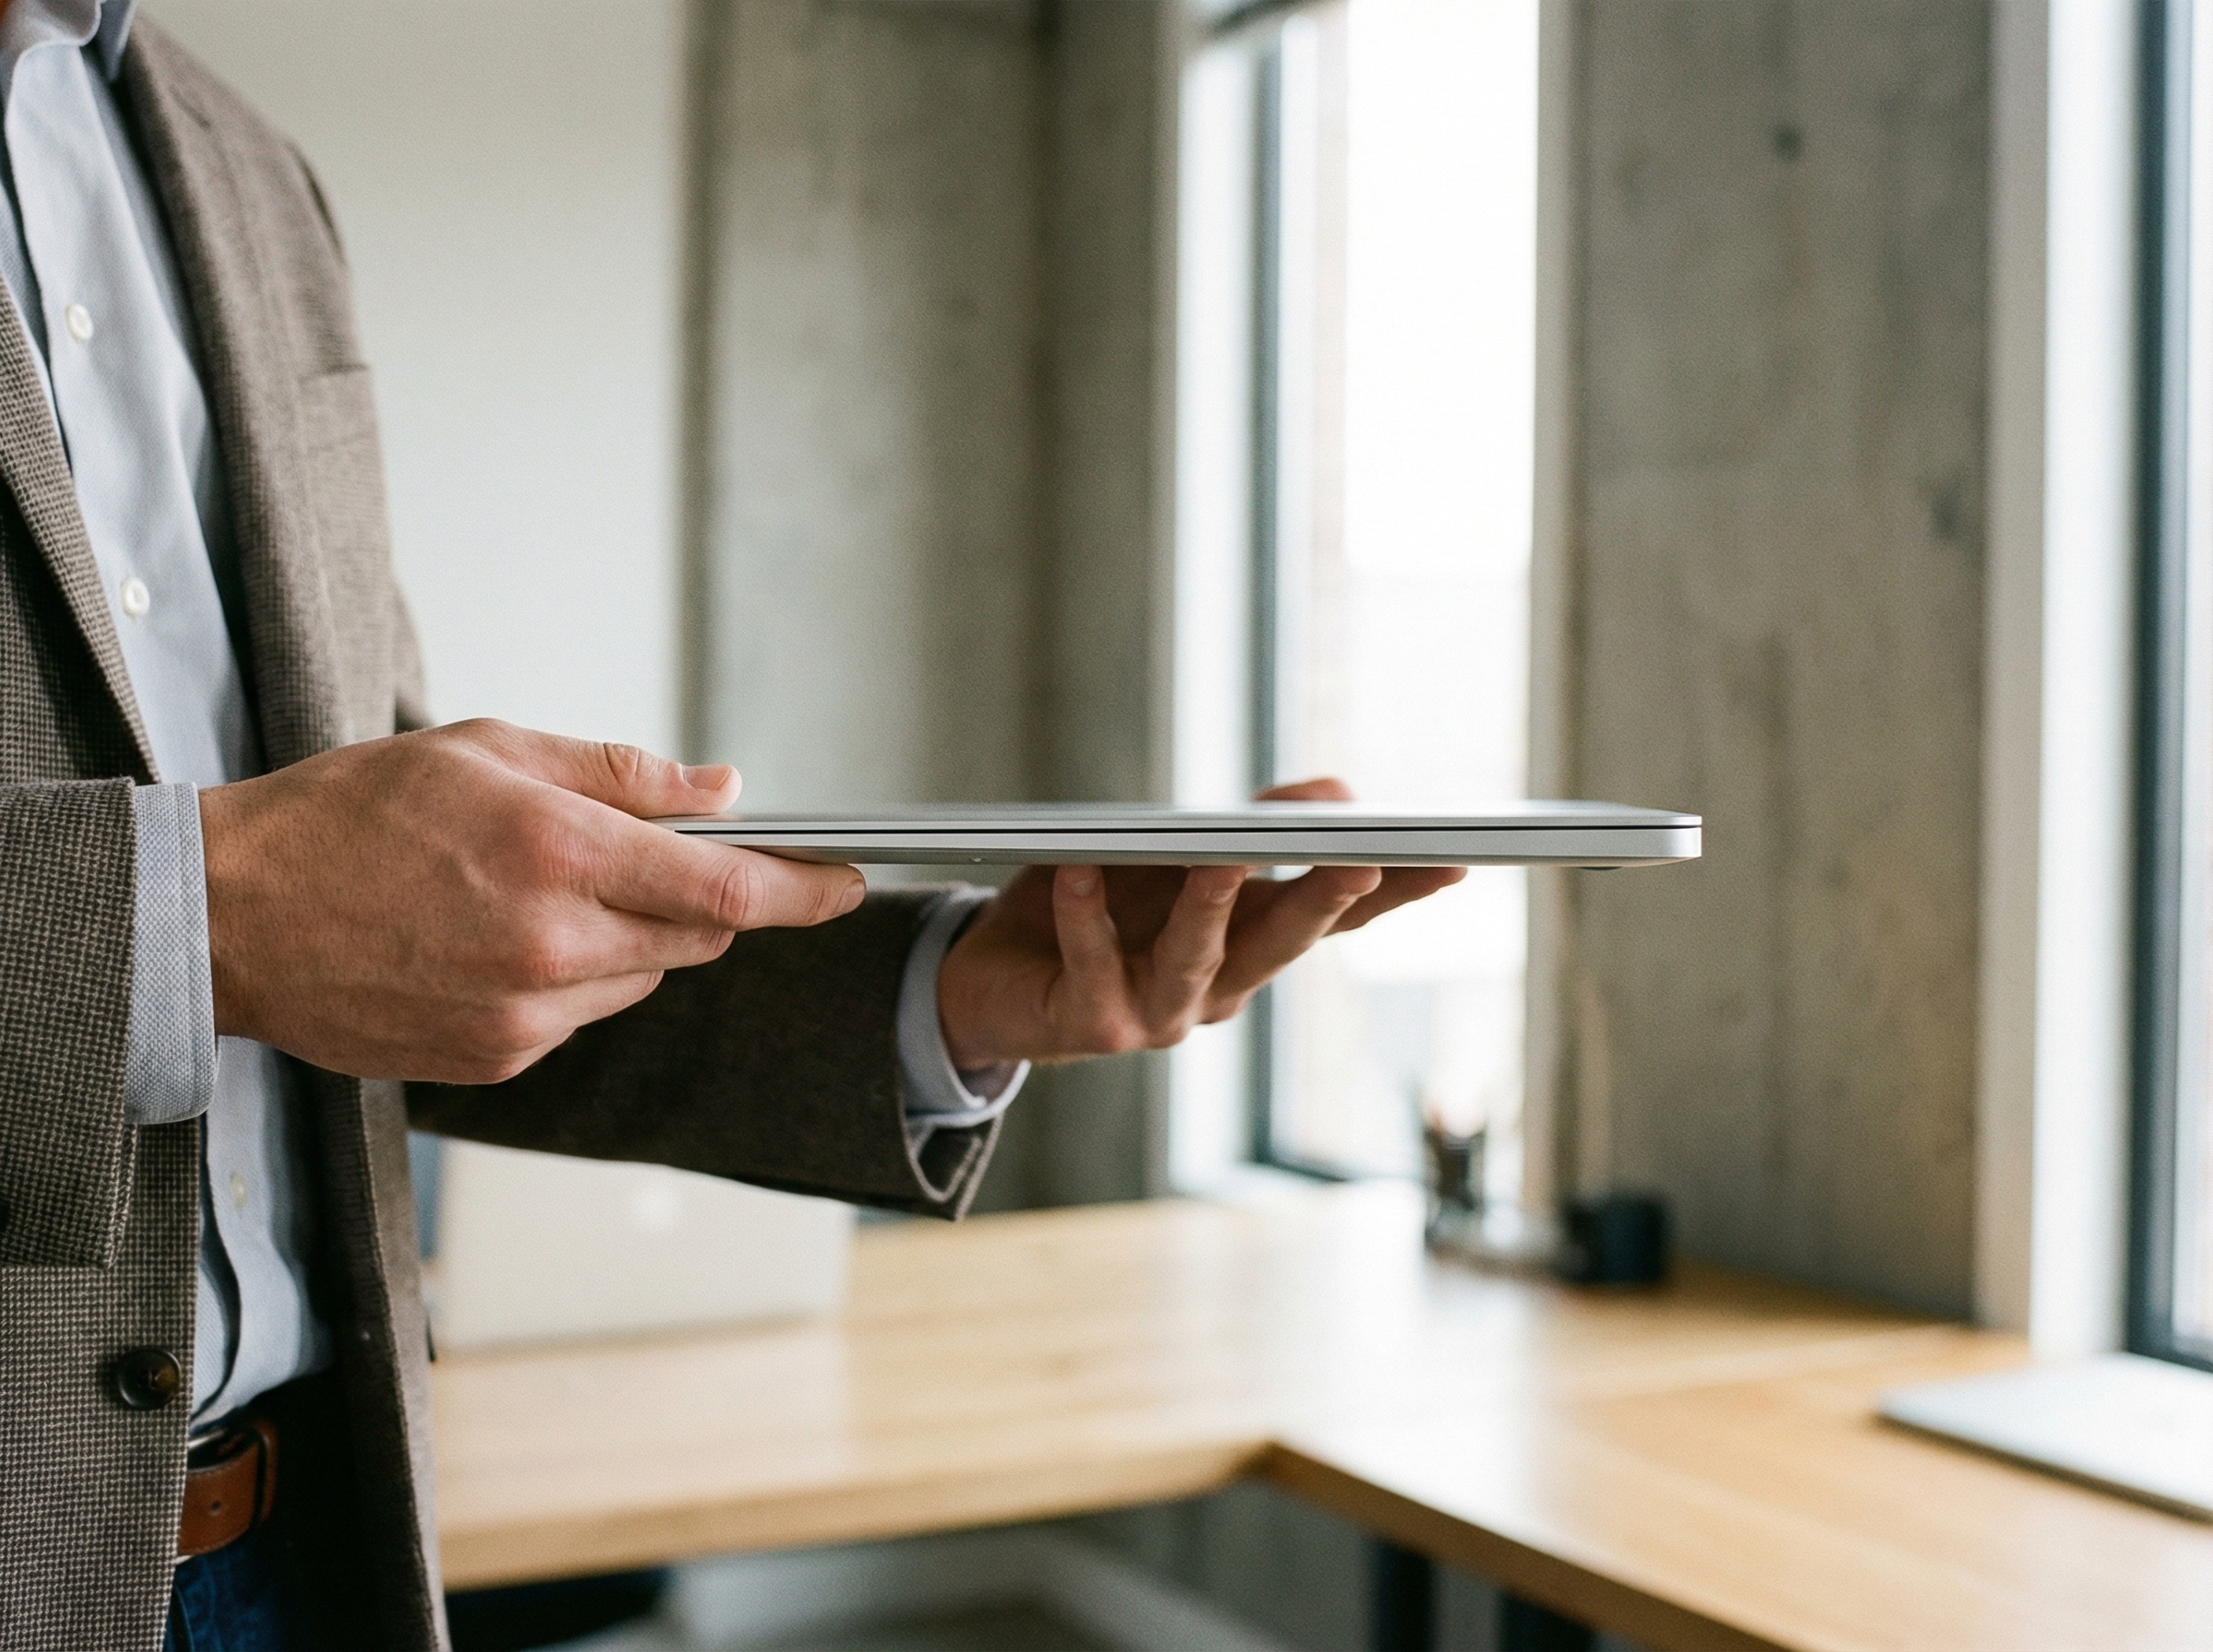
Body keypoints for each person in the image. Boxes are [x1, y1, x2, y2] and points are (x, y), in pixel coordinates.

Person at [0, 6, 1462, 1649]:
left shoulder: (237, 164)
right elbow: (278, 903)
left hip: (314, 1547)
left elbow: (389, 921)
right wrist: (197, 916)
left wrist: (958, 990)